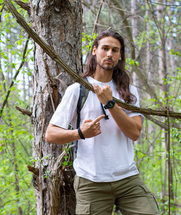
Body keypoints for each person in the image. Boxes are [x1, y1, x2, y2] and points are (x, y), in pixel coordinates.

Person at [45, 30, 159, 215]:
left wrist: (109, 103)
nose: (109, 54)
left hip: (128, 178)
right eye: (105, 48)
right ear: (94, 51)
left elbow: (134, 133)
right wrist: (80, 133)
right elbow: (50, 134)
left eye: (115, 50)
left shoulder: (128, 92)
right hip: (92, 182)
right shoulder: (78, 90)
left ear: (120, 56)